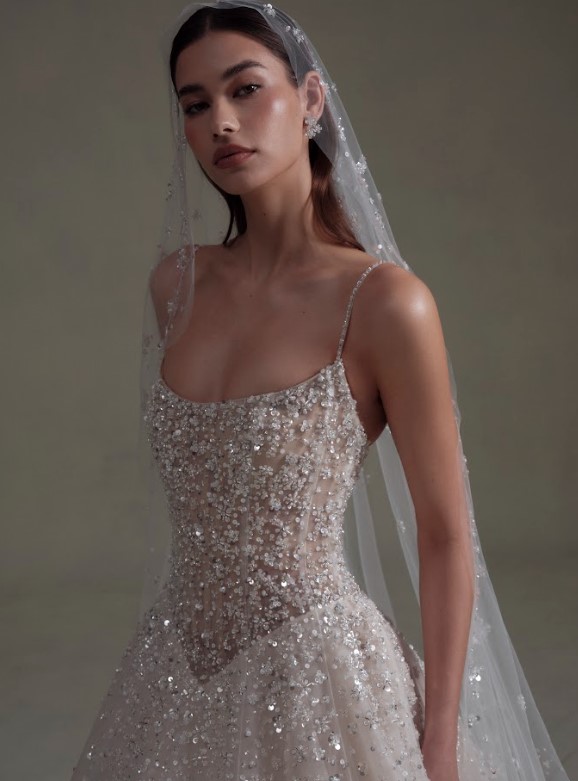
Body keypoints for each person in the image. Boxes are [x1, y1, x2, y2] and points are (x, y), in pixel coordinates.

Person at [70, 3, 570, 780]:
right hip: (173, 673)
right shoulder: (177, 284)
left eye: (245, 89)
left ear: (309, 99)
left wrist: (439, 737)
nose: (221, 123)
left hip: (319, 680)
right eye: (195, 105)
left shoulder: (385, 304)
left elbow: (444, 533)